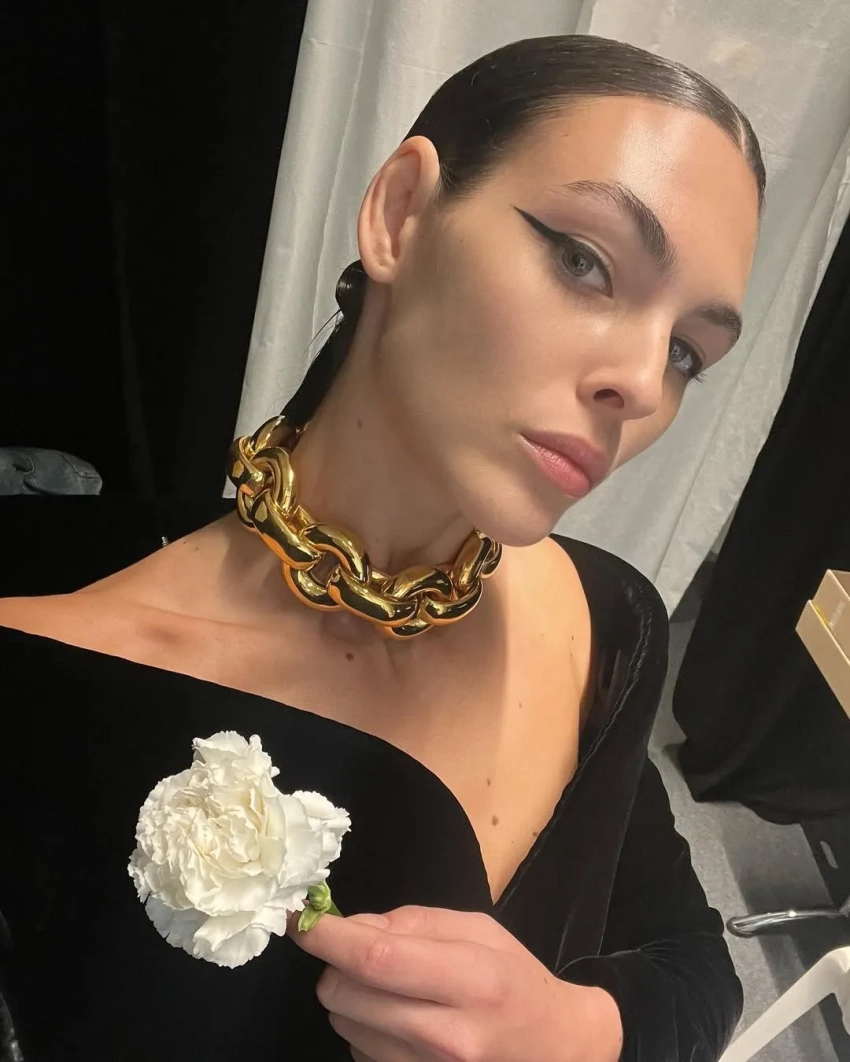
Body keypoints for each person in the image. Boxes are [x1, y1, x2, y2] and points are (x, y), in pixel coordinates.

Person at [0, 33, 762, 1062]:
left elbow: (696, 966)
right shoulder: (53, 695)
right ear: (401, 213)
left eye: (686, 353)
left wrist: (571, 1028)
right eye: (585, 261)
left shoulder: (605, 618)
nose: (638, 381)